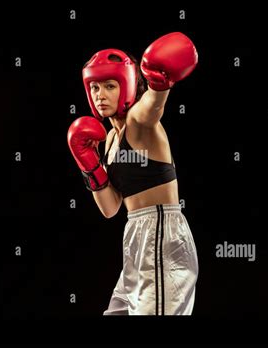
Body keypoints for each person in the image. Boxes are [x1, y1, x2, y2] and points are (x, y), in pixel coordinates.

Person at [67, 32, 199, 315]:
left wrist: (160, 81)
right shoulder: (110, 141)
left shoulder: (138, 122)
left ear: (127, 86)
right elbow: (111, 208)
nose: (100, 94)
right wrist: (88, 164)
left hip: (162, 236)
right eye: (94, 87)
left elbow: (154, 105)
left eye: (110, 86)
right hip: (135, 239)